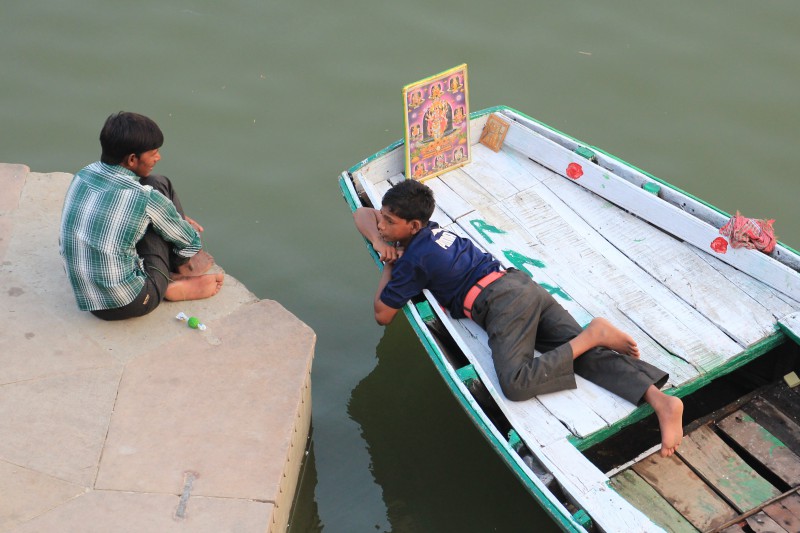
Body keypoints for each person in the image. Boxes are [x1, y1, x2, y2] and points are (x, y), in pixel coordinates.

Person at [353, 179, 683, 457]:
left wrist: (389, 263)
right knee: (578, 357)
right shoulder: (433, 232)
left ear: (414, 226)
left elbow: (382, 314)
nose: (381, 225)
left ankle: (593, 333)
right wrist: (379, 238)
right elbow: (362, 214)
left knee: (516, 383)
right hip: (521, 285)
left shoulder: (414, 259)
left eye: (389, 222)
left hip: (500, 305)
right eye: (383, 218)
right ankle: (661, 401)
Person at [59, 111, 224, 320]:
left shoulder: (84, 174)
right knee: (162, 186)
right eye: (153, 152)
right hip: (132, 301)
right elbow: (189, 243)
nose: (158, 157)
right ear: (131, 159)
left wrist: (166, 215)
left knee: (152, 190)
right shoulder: (145, 199)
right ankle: (173, 279)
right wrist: (173, 219)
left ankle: (166, 271)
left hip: (87, 296)